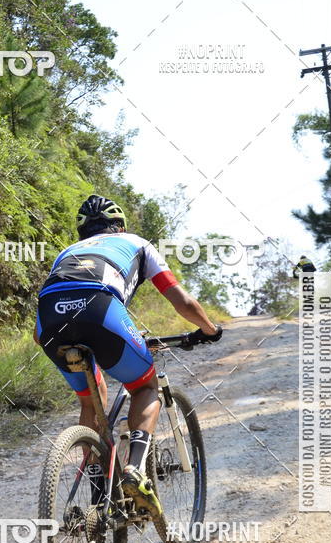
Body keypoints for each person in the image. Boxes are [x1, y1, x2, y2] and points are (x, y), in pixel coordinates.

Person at [34, 194, 222, 517]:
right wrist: (209, 328)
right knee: (144, 386)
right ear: (119, 225)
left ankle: (98, 499)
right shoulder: (137, 243)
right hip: (102, 311)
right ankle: (135, 472)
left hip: (50, 321)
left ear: (83, 233)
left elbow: (39, 334)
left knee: (92, 401)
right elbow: (182, 302)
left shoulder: (67, 253)